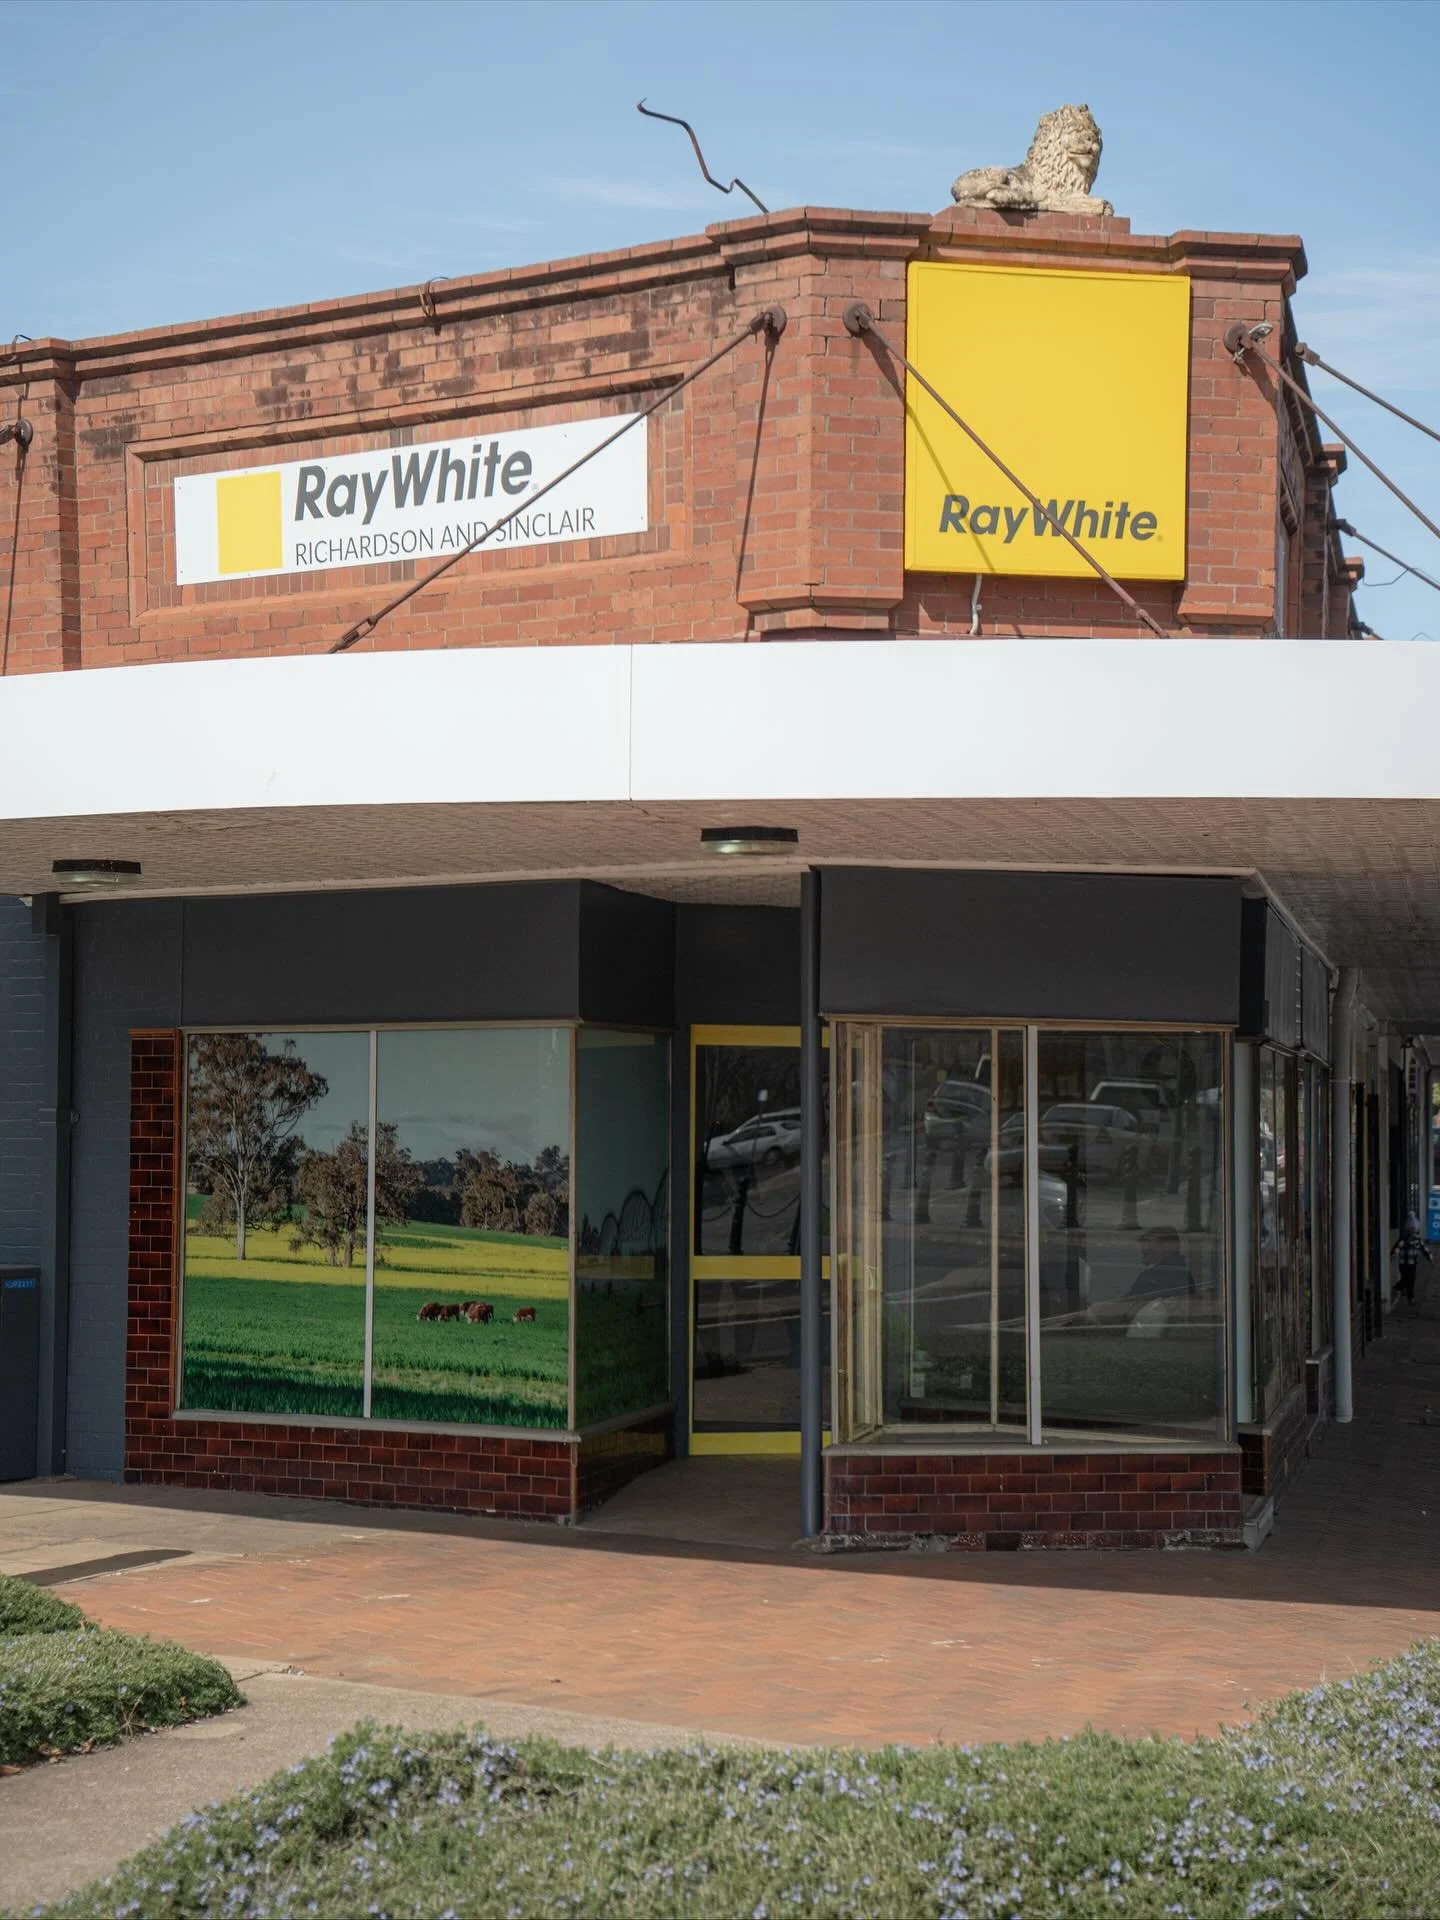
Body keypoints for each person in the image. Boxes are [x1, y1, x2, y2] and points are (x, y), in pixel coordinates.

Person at [1392, 1213, 1432, 1306]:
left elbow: (1422, 1248)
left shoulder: (1417, 1239)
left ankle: (1410, 1298)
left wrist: (1429, 1257)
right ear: (1408, 1229)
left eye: (1414, 1228)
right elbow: (1398, 1246)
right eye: (1411, 1228)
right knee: (1406, 1279)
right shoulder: (1404, 1238)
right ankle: (1398, 1288)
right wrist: (1394, 1253)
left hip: (1413, 1263)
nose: (1413, 1230)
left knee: (1411, 1280)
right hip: (1403, 1263)